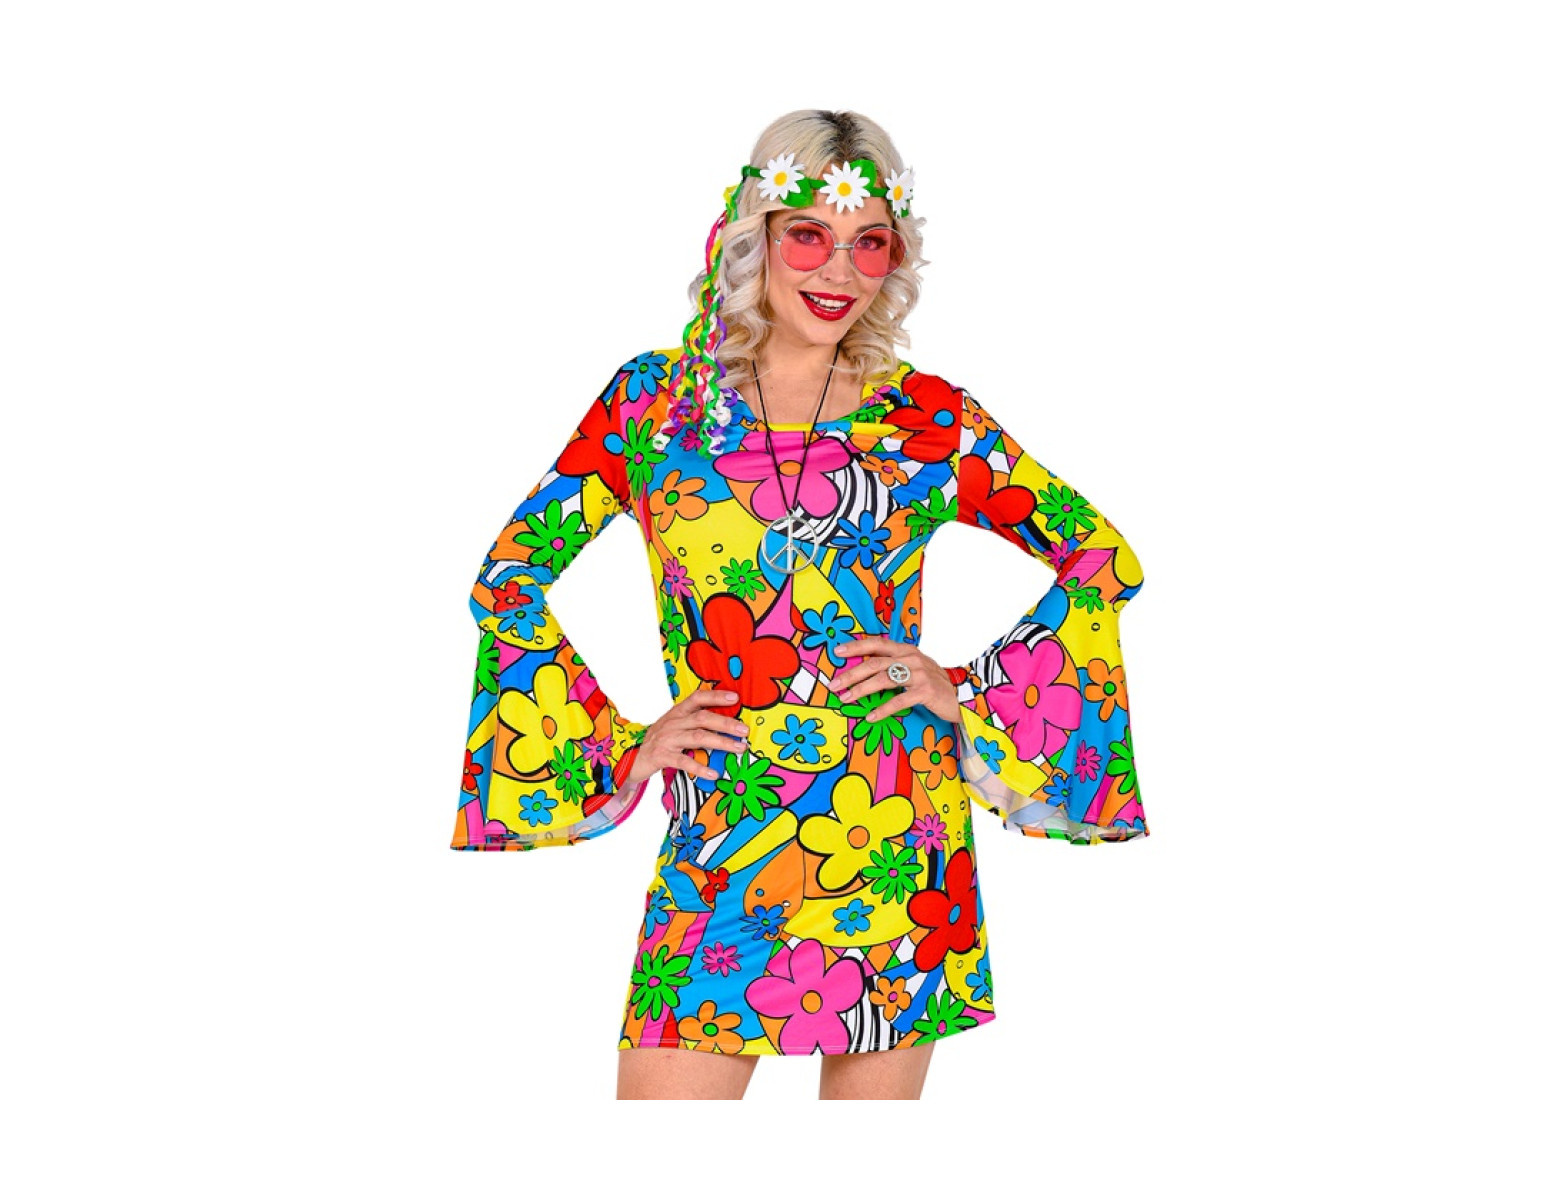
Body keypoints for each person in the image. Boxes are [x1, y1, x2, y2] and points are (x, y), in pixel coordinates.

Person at [451, 109, 1150, 1100]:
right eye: (810, 235)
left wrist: (960, 688)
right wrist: (622, 744)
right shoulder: (654, 406)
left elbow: (1101, 558)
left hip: (895, 842)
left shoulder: (929, 420)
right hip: (722, 836)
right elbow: (509, 576)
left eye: (871, 242)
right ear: (757, 233)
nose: (839, 271)